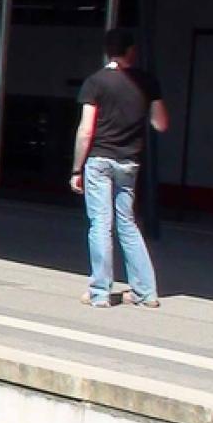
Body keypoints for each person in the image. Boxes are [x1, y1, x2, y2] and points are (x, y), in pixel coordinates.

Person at [71, 27, 169, 308]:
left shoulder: (95, 82)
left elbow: (86, 130)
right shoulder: (147, 82)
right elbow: (161, 123)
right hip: (129, 162)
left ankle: (100, 292)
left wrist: (77, 169)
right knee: (126, 224)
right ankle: (145, 292)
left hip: (99, 159)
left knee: (100, 224)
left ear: (107, 51)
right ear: (130, 50)